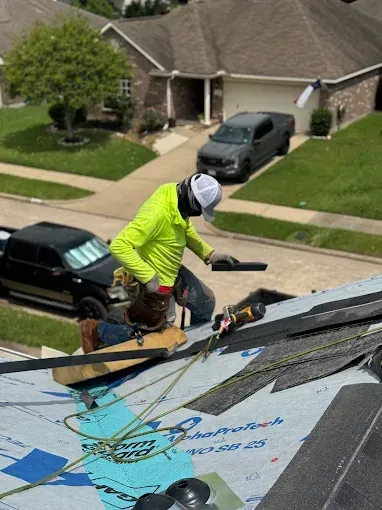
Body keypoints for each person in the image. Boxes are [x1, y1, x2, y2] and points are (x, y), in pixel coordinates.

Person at [79, 174, 238, 353]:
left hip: (171, 270)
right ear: (191, 201)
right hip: (154, 283)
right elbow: (119, 246)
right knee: (156, 338)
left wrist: (210, 253)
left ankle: (196, 343)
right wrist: (149, 277)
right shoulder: (156, 214)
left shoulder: (176, 197)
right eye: (199, 210)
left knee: (205, 303)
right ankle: (97, 331)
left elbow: (185, 228)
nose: (199, 214)